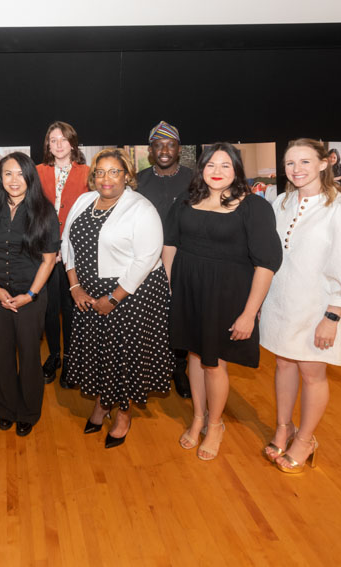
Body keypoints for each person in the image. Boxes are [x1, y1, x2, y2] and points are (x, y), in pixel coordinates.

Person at [162, 142, 282, 461]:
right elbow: (170, 243)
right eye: (211, 165)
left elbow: (267, 263)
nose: (217, 172)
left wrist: (249, 313)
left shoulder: (254, 207)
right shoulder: (186, 201)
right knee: (194, 356)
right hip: (188, 290)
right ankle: (198, 417)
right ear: (201, 168)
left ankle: (215, 425)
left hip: (226, 295)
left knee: (214, 364)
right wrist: (173, 286)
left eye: (225, 165)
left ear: (237, 170)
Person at [260, 139, 341, 473]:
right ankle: (283, 427)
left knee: (312, 371)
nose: (297, 170)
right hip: (281, 301)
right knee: (284, 364)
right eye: (290, 163)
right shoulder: (280, 202)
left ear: (325, 163)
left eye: (305, 162)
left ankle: (306, 439)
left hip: (318, 306)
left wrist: (333, 315)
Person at [61, 149, 174, 449]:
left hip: (131, 294)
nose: (106, 178)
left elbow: (147, 258)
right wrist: (75, 288)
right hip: (87, 293)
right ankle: (102, 403)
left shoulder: (141, 208)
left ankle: (123, 414)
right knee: (99, 352)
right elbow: (66, 244)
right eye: (100, 172)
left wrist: (114, 297)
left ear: (127, 175)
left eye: (114, 171)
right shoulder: (84, 201)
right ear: (93, 176)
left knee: (124, 356)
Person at [0, 152, 59, 437]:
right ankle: (7, 409)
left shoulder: (45, 211)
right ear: (0, 177)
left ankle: (28, 411)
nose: (14, 180)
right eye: (8, 173)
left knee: (29, 353)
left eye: (20, 174)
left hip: (30, 296)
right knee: (3, 353)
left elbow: (49, 260)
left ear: (30, 177)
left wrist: (31, 294)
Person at [135, 120, 194, 399]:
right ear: (151, 150)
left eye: (170, 145)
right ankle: (151, 367)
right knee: (152, 318)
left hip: (186, 260)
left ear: (179, 149)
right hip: (147, 263)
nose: (165, 150)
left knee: (181, 316)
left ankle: (179, 369)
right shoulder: (138, 180)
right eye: (159, 145)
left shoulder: (195, 180)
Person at [36, 121, 89, 388]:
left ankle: (70, 358)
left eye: (63, 139)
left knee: (70, 308)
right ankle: (54, 356)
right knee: (48, 308)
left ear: (72, 143)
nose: (58, 144)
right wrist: (48, 246)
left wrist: (65, 247)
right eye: (52, 140)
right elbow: (32, 212)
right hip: (45, 253)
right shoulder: (37, 172)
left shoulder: (87, 173)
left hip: (74, 254)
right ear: (48, 144)